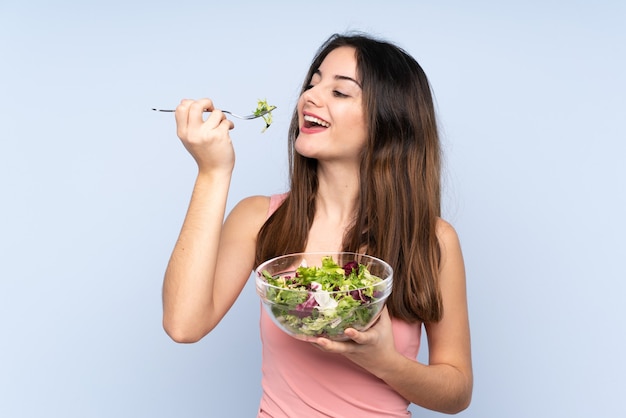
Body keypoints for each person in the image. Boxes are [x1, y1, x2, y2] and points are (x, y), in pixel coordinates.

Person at [162, 32, 473, 417]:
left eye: (340, 92)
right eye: (313, 83)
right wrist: (212, 172)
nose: (310, 96)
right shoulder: (261, 219)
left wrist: (383, 360)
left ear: (389, 121)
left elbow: (457, 392)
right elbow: (182, 324)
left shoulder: (432, 240)